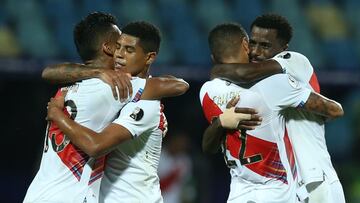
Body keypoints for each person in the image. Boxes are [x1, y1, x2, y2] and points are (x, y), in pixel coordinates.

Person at [23, 14, 188, 203]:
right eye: (118, 45)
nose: (121, 52)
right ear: (108, 48)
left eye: (127, 48)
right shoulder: (117, 86)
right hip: (71, 197)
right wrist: (57, 116)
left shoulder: (65, 89)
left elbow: (47, 72)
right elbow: (178, 85)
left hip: (37, 193)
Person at [200, 23, 343, 202]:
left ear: (284, 49)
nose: (256, 52)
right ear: (245, 44)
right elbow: (334, 110)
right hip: (283, 188)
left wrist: (217, 70)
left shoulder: (207, 92)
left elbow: (208, 147)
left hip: (314, 178)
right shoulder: (274, 85)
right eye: (253, 44)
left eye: (265, 45)